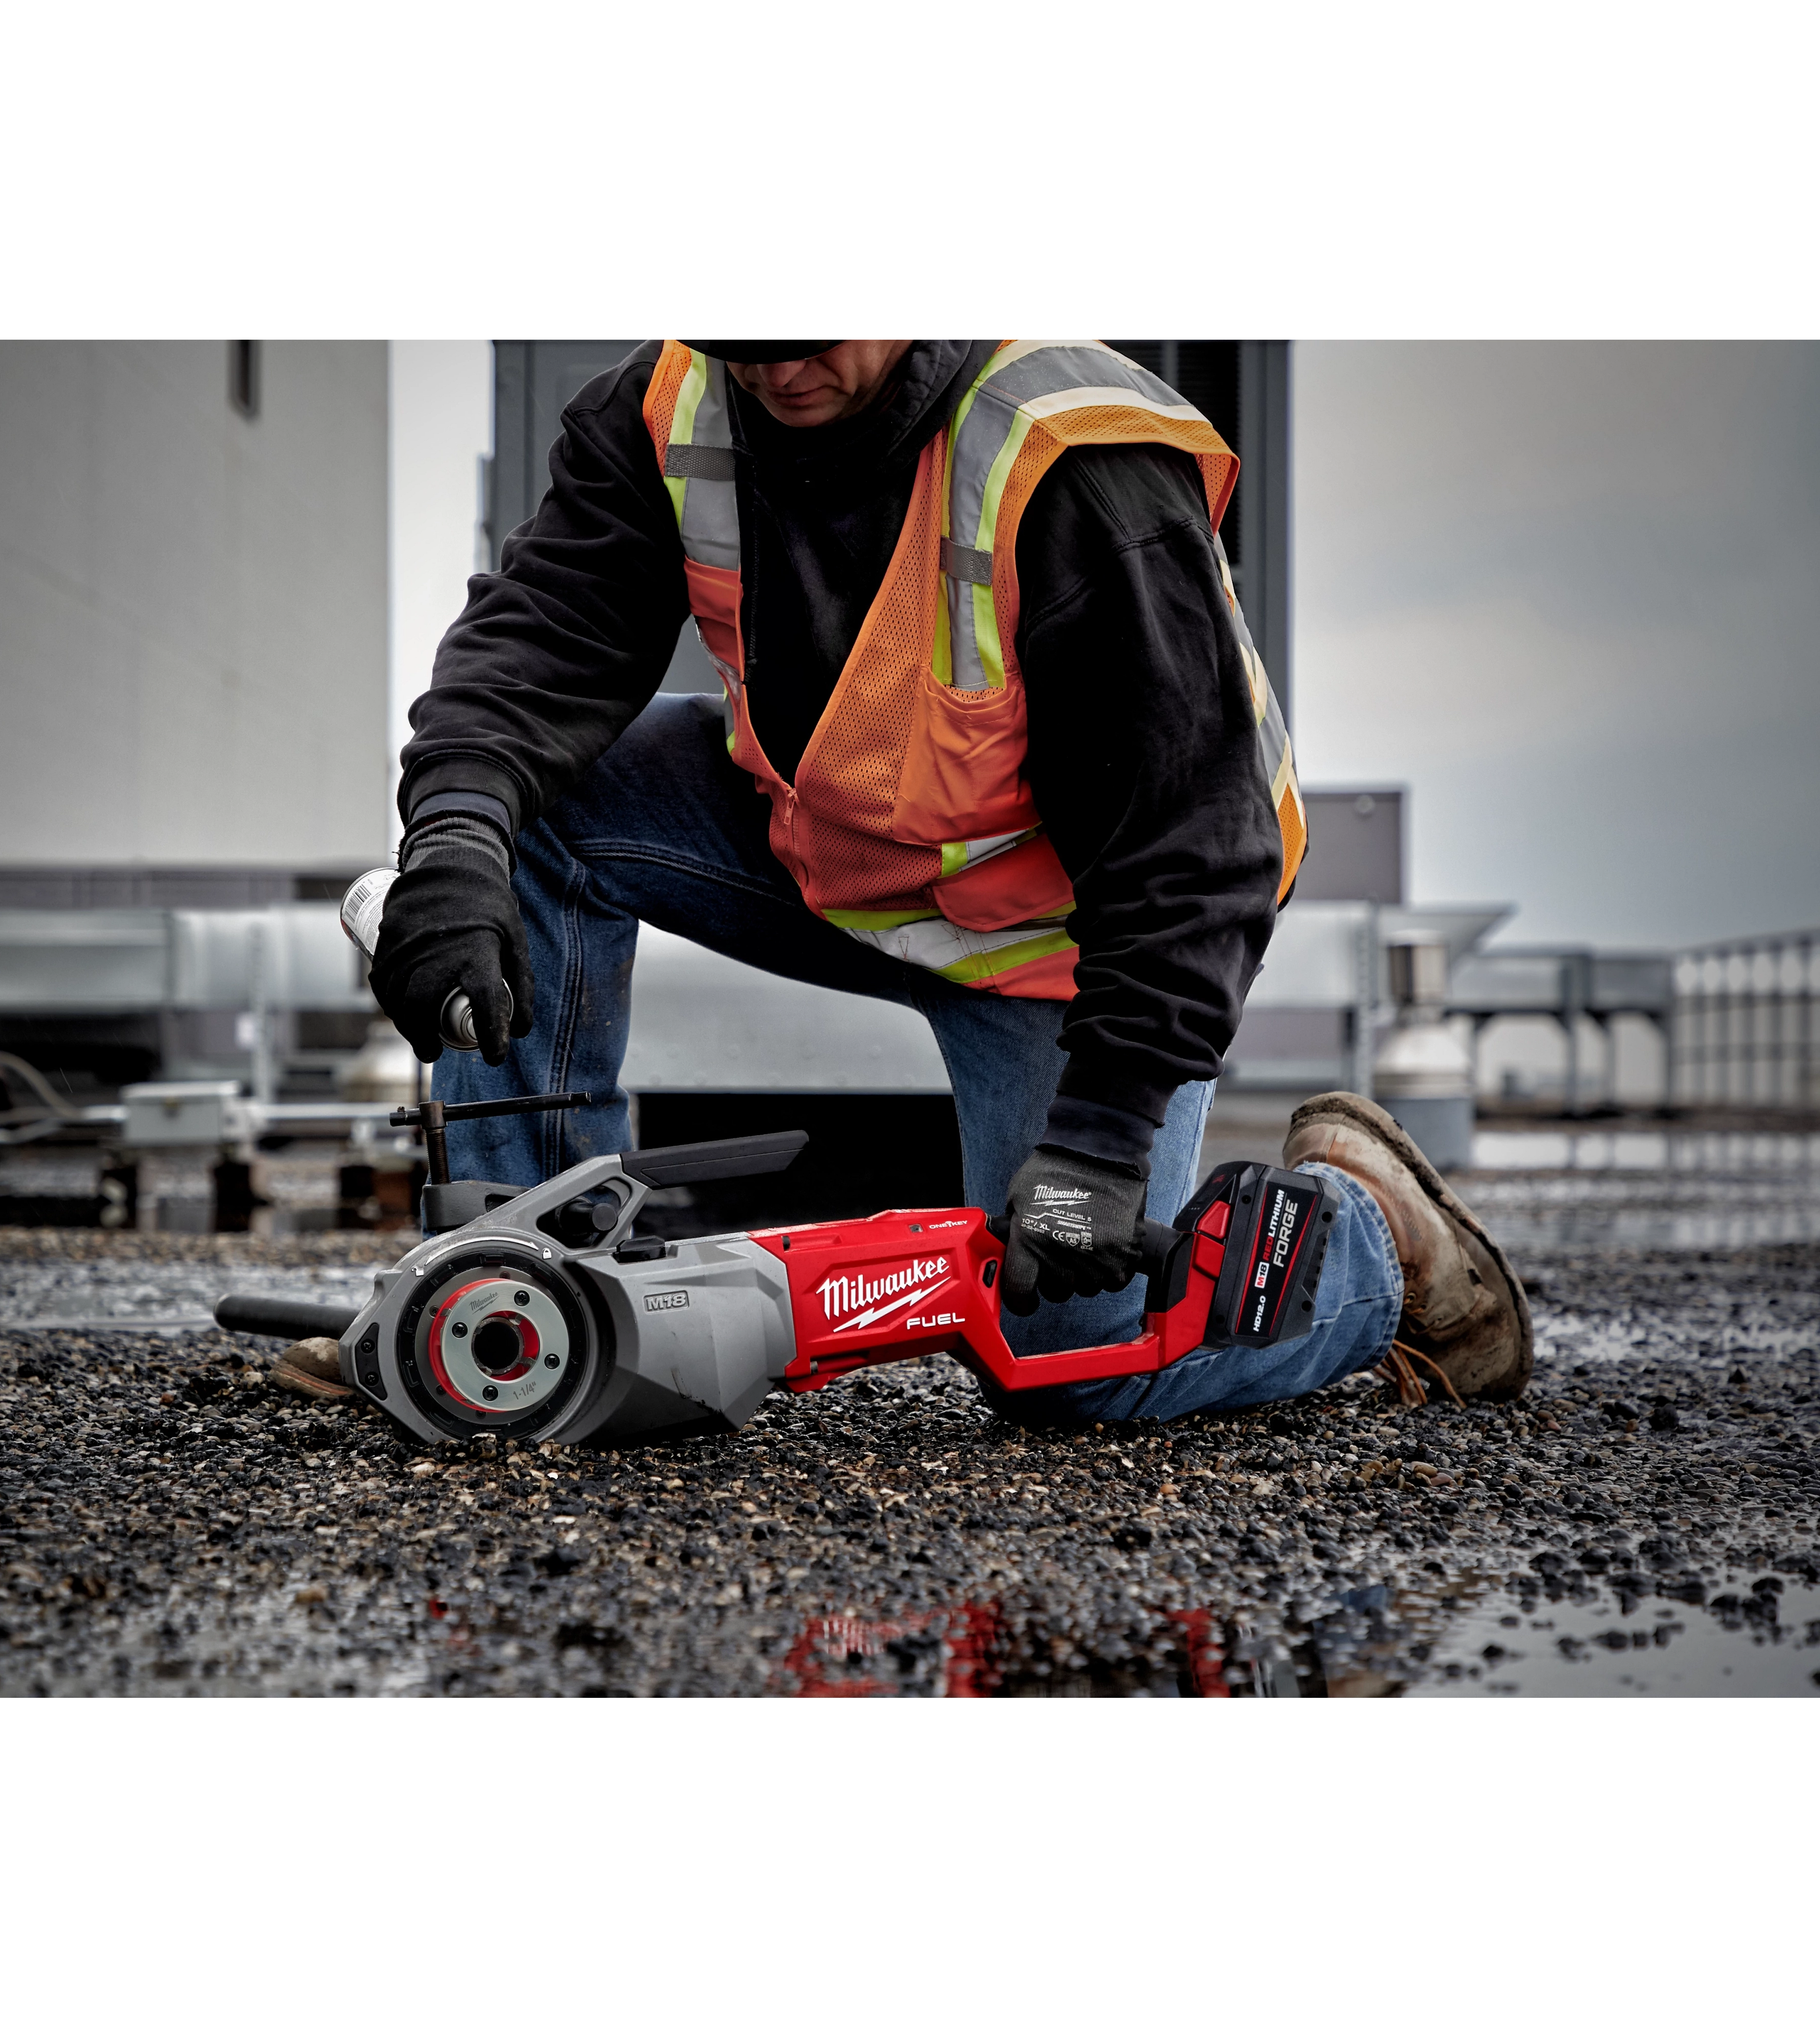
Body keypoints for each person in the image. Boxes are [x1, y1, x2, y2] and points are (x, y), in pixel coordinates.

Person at [373, 339, 1530, 1421]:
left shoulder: (1073, 458)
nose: (777, 366)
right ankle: (514, 1287)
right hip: (836, 854)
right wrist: (452, 845)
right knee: (514, 802)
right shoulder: (671, 401)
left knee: (1067, 1365)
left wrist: (1099, 1140)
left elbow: (1194, 848)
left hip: (1053, 944)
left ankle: (1370, 1237)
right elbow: (535, 645)